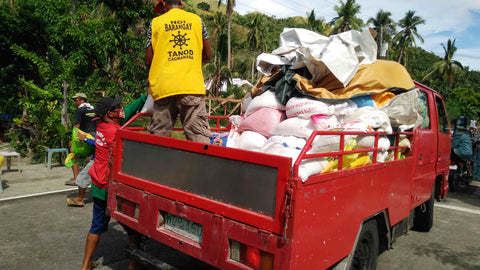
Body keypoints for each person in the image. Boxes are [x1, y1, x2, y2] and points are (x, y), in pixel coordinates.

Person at [80, 96, 139, 270]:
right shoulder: (115, 132)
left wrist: (143, 98)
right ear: (109, 113)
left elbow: (128, 112)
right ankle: (134, 263)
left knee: (96, 225)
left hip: (98, 185)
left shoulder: (102, 125)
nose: (121, 109)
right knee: (131, 225)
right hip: (111, 187)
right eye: (118, 107)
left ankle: (85, 264)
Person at [145, 0, 212, 143]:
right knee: (198, 136)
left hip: (164, 87)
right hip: (191, 86)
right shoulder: (197, 21)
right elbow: (207, 55)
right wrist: (187, 62)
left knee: (158, 138)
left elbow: (148, 60)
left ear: (163, 4)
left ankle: (156, 165)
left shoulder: (155, 23)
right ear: (181, 4)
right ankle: (201, 165)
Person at [65, 93, 97, 186]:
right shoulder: (93, 109)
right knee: (95, 157)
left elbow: (77, 126)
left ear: (81, 99)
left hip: (84, 136)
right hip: (95, 136)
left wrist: (73, 140)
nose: (75, 102)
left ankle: (76, 178)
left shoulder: (80, 110)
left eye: (76, 100)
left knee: (74, 155)